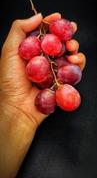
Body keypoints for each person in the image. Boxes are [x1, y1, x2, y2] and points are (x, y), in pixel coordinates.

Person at [0, 13, 85, 178]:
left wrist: (18, 115)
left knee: (68, 55)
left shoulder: (47, 48)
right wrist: (14, 108)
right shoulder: (39, 45)